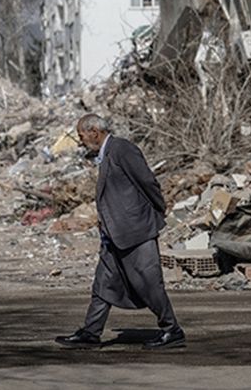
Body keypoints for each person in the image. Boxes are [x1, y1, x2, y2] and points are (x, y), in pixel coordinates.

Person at [54, 114, 185, 350]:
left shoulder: (122, 149)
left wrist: (156, 213)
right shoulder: (106, 154)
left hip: (136, 231)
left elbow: (147, 182)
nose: (80, 141)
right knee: (102, 284)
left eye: (81, 135)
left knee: (149, 282)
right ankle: (91, 332)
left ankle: (171, 330)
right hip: (115, 234)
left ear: (94, 131)